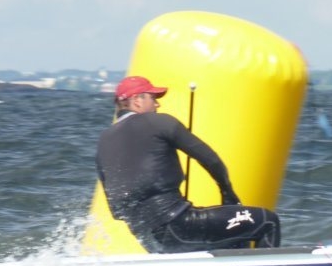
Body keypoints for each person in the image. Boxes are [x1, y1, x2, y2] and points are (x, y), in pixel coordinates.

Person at [95, 75, 281, 253]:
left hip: (148, 238)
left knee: (236, 235)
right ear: (137, 100)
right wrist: (227, 193)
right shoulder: (159, 122)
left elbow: (116, 209)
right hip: (180, 225)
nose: (157, 104)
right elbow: (211, 159)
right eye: (153, 98)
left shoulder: (103, 141)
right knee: (267, 221)